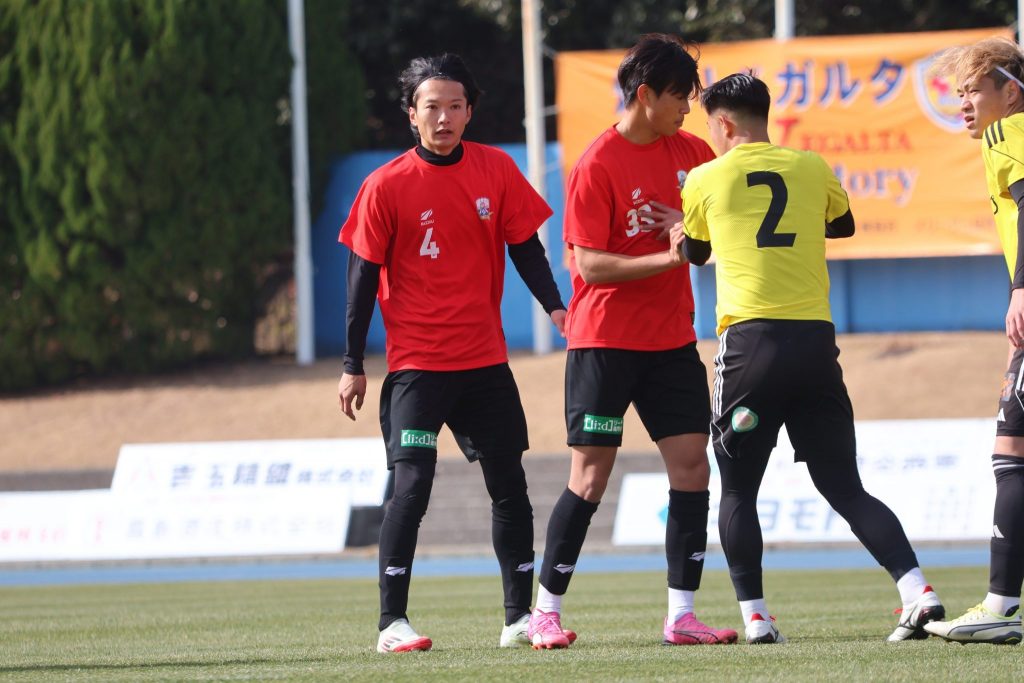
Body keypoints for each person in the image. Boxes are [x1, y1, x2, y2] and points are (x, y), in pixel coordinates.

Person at [671, 72, 944, 644]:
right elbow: (842, 225)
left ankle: (756, 617)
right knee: (844, 485)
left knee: (738, 489)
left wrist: (683, 232)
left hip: (749, 348)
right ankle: (917, 589)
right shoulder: (812, 166)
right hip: (815, 345)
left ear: (724, 124)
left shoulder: (704, 177)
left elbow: (694, 252)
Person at [337, 53, 569, 654]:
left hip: (485, 363)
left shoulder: (496, 169)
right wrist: (352, 365)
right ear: (411, 114)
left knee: (509, 486)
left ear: (470, 112)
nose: (444, 117)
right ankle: (392, 624)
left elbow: (526, 248)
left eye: (455, 106)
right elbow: (361, 279)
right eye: (432, 107)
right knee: (411, 487)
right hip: (417, 368)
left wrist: (557, 308)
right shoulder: (385, 184)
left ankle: (518, 619)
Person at [527, 34, 737, 650]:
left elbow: (713, 238)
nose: (687, 109)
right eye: (679, 97)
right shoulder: (596, 163)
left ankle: (682, 616)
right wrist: (668, 257)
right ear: (644, 95)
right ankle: (544, 613)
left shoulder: (694, 153)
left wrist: (691, 234)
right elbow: (589, 266)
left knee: (693, 467)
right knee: (590, 475)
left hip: (671, 340)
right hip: (604, 342)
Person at [921, 38, 1024, 645]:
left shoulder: (1008, 133)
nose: (963, 103)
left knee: (1011, 450)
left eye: (973, 91)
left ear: (1010, 92)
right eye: (958, 93)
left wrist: (1021, 290)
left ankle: (1000, 607)